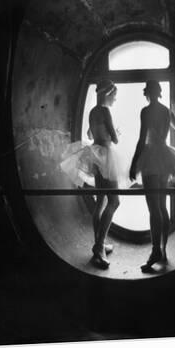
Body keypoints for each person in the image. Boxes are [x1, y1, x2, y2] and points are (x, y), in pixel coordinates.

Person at [129, 80, 175, 273]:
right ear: (160, 92)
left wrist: (134, 163)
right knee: (162, 207)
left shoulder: (146, 111)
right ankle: (163, 250)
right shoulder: (166, 111)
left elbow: (142, 139)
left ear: (147, 93)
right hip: (165, 157)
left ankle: (155, 251)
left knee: (153, 209)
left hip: (150, 157)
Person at [60, 79, 124, 269]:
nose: (115, 99)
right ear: (108, 94)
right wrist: (116, 133)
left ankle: (100, 244)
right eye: (114, 95)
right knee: (115, 202)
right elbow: (115, 139)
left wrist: (101, 133)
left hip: (95, 154)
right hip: (105, 154)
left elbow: (89, 135)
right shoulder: (105, 111)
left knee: (101, 201)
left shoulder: (92, 111)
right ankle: (99, 247)